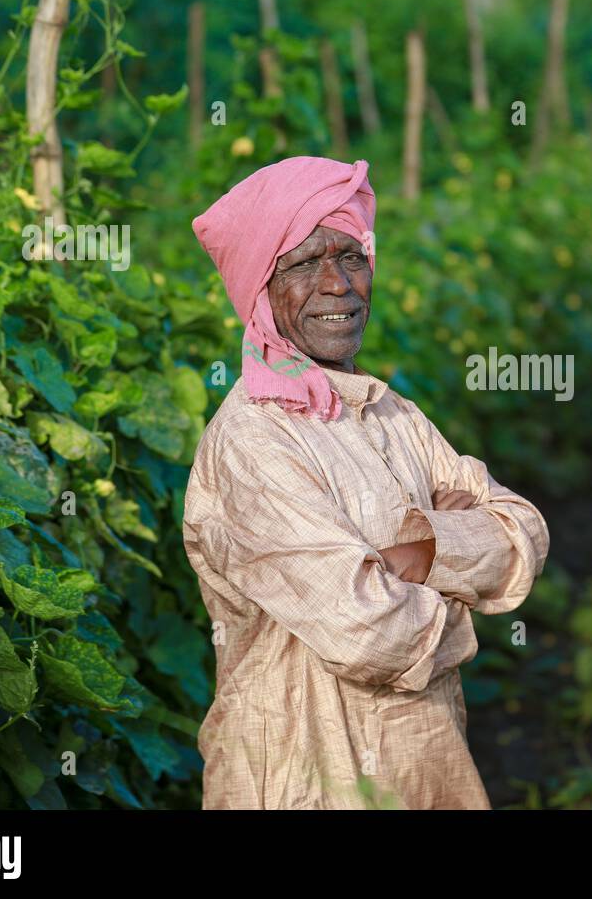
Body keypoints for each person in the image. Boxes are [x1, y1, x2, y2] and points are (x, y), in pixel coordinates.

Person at [183, 156, 549, 809]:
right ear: (259, 289)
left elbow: (524, 530)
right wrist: (463, 596)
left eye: (351, 256)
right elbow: (367, 632)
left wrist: (425, 550)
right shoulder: (253, 441)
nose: (339, 285)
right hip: (296, 774)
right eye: (303, 264)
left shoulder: (387, 410)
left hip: (422, 759)